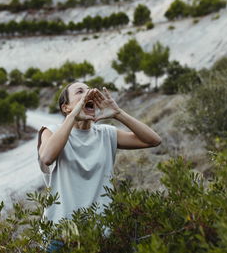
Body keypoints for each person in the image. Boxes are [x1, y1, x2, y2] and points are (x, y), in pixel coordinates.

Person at [37, 82, 161, 251]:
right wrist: (73, 116)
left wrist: (118, 114)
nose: (89, 94)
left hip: (102, 233)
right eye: (80, 92)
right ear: (66, 107)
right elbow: (47, 157)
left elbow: (153, 140)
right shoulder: (51, 131)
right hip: (60, 234)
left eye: (89, 91)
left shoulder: (106, 133)